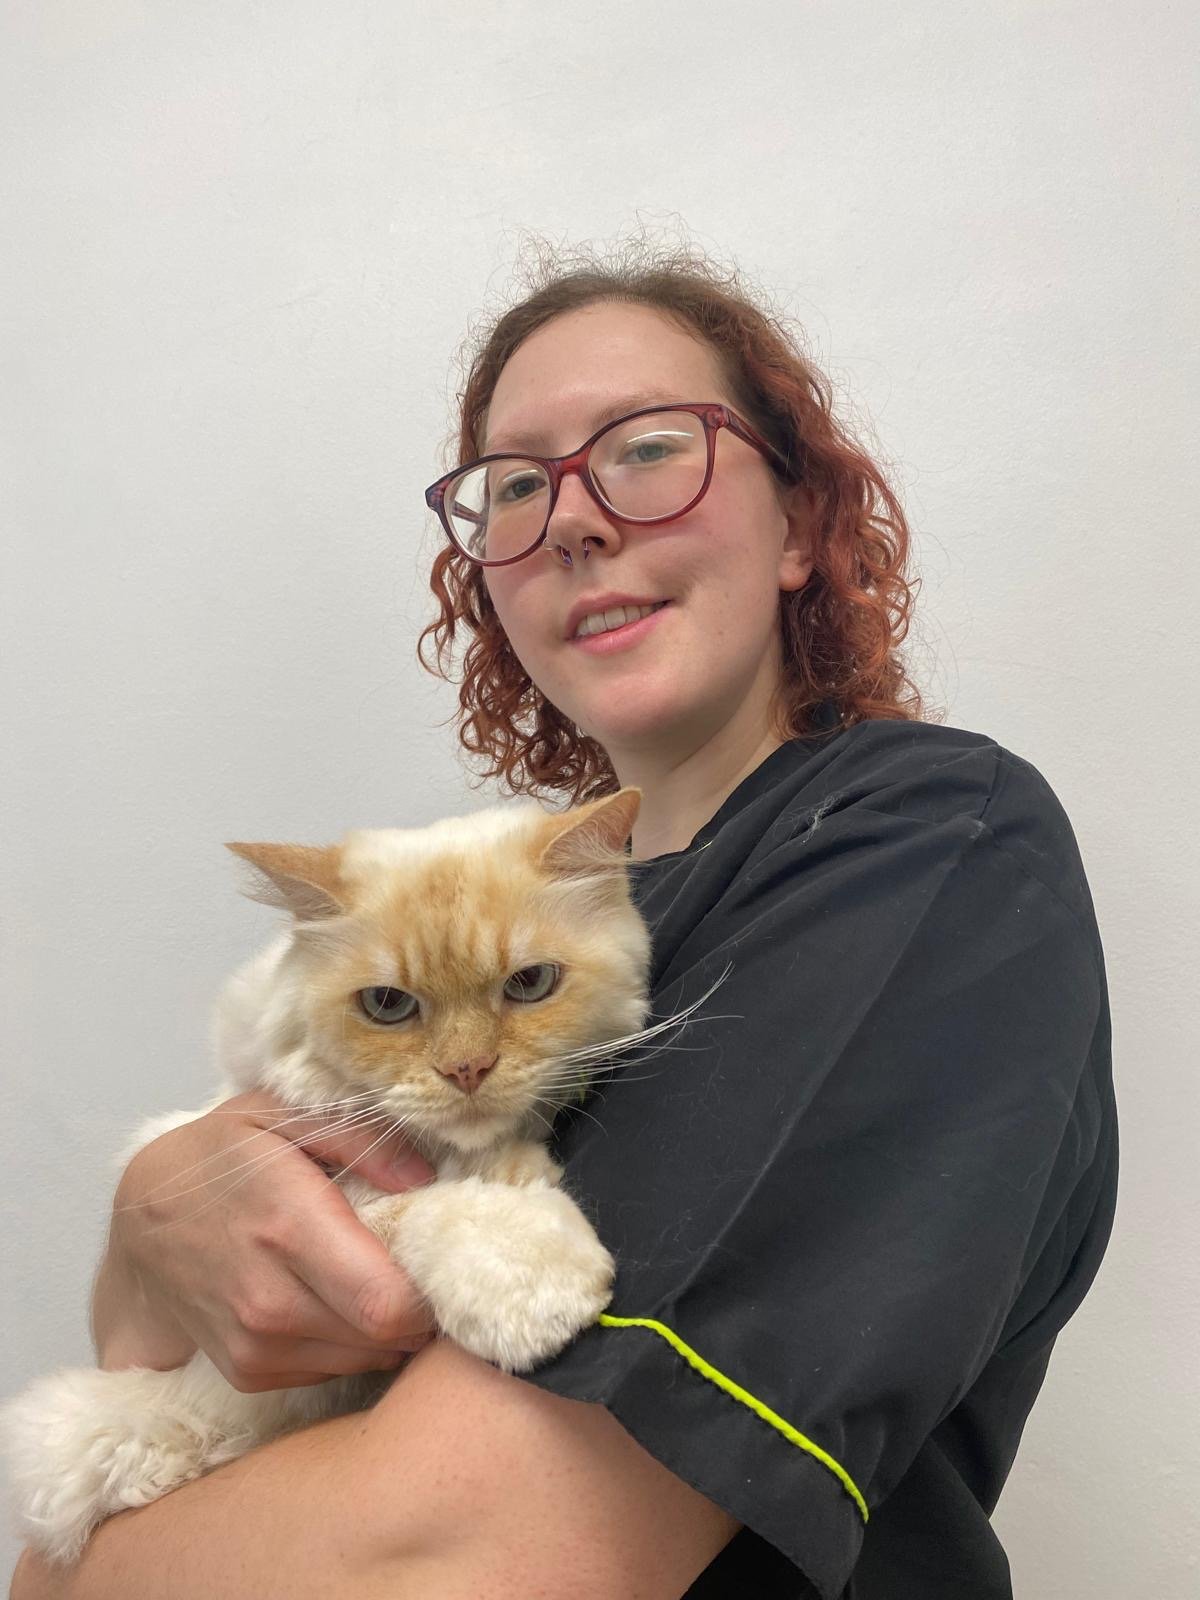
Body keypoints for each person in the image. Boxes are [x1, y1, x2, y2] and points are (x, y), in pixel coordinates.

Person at [11, 244, 1117, 1600]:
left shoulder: (923, 841)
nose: (575, 519)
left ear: (800, 526)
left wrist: (74, 1572)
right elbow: (183, 1353)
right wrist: (149, 1219)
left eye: (648, 448)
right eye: (516, 486)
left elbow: (464, 1556)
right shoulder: (489, 916)